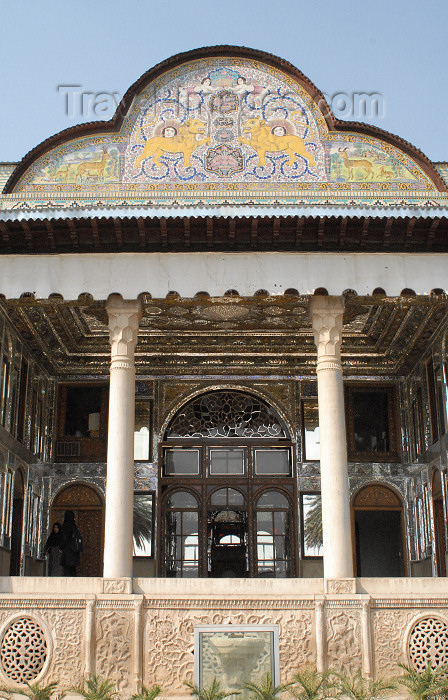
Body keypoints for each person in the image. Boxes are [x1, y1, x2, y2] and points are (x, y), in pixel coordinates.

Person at [59, 510, 83, 576]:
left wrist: (61, 547)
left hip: (68, 551)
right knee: (73, 570)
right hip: (74, 551)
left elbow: (65, 538)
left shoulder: (66, 526)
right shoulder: (74, 526)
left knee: (67, 570)